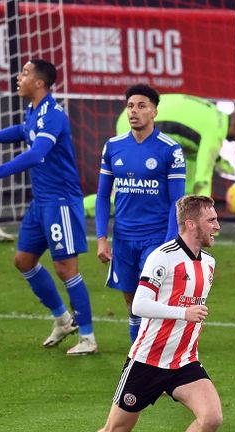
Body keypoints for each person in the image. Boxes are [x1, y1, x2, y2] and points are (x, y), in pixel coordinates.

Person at [58, 195, 221, 432]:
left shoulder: (209, 263)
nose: (217, 226)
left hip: (184, 363)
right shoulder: (162, 258)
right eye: (211, 220)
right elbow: (140, 304)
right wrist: (183, 312)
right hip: (146, 361)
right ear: (191, 224)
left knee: (212, 418)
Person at [0, 59, 97, 355]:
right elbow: (21, 132)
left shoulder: (54, 115)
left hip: (60, 201)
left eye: (24, 73)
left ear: (40, 83)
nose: (18, 77)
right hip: (41, 202)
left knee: (66, 268)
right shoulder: (33, 110)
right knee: (23, 260)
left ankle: (88, 337)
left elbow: (36, 154)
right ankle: (62, 318)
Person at [96, 84, 186, 342]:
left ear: (155, 112)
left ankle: (149, 356)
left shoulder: (170, 149)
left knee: (148, 299)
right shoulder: (113, 147)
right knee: (131, 302)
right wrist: (102, 237)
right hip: (123, 239)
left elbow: (176, 201)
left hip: (156, 238)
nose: (134, 112)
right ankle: (138, 353)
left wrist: (169, 244)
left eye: (141, 106)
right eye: (130, 106)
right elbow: (103, 195)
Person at [85, 94, 235, 216]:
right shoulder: (214, 134)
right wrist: (208, 217)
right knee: (131, 191)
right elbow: (203, 180)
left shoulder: (215, 115)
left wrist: (217, 160)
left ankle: (183, 212)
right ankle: (78, 209)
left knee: (189, 157)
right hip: (135, 126)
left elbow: (195, 142)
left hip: (135, 117)